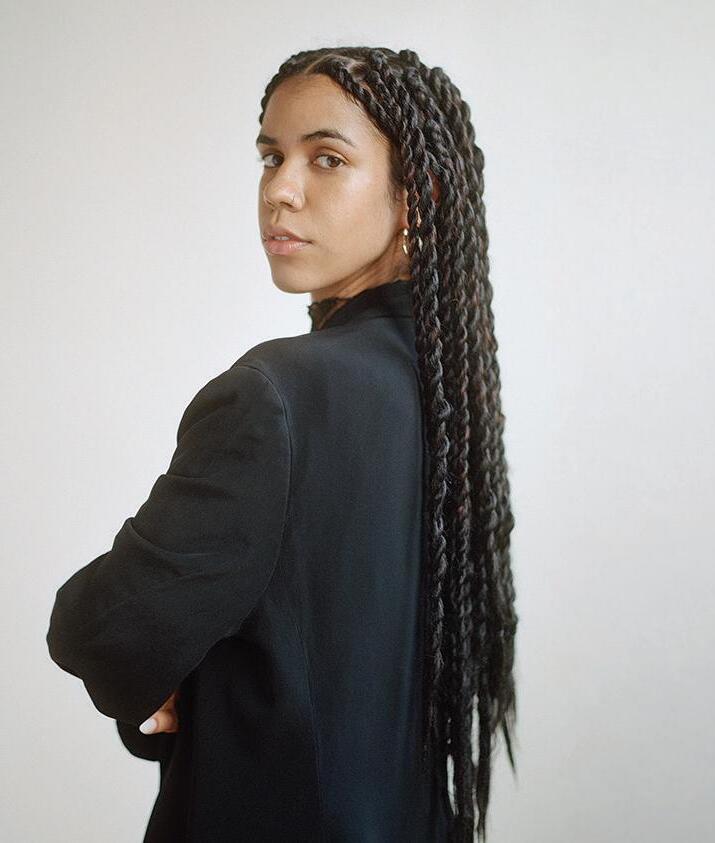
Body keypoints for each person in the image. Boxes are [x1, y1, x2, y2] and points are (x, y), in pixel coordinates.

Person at [46, 46, 518, 843]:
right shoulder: (444, 391)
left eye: (326, 158)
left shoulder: (274, 395)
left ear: (418, 193)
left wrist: (167, 668)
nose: (280, 190)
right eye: (271, 156)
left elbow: (107, 626)